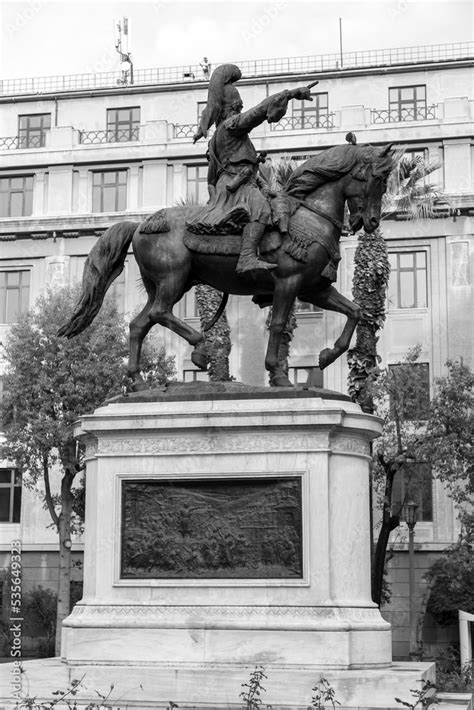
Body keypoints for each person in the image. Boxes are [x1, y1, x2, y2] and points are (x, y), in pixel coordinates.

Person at [187, 64, 317, 275]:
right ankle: (247, 257)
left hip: (242, 182)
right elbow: (258, 112)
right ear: (231, 106)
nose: (240, 109)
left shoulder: (219, 135)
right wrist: (291, 94)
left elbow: (211, 177)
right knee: (261, 210)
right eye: (238, 105)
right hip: (234, 186)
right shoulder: (231, 126)